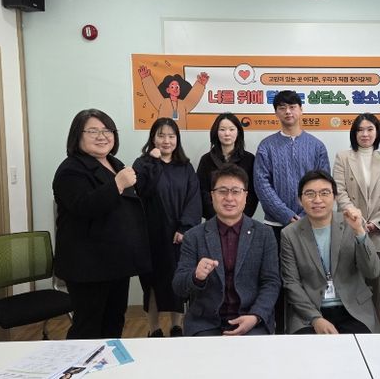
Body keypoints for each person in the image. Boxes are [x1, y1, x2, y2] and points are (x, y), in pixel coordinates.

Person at [53, 109, 151, 339]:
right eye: (93, 131)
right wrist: (117, 185)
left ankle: (109, 360)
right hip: (88, 264)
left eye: (107, 130)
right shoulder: (70, 170)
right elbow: (83, 206)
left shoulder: (115, 163)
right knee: (88, 326)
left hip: (116, 261)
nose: (102, 136)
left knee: (114, 320)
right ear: (77, 136)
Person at [253, 89, 330, 333]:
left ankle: (307, 325)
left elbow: (324, 184)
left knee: (308, 278)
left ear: (301, 110)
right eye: (282, 107)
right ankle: (277, 330)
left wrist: (306, 216)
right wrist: (287, 215)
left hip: (311, 226)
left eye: (293, 106)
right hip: (276, 227)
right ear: (276, 112)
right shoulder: (266, 146)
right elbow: (261, 184)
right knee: (275, 279)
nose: (288, 111)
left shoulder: (317, 146)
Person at [173, 164, 280, 336]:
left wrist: (255, 316)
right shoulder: (194, 236)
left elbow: (271, 282)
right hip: (205, 323)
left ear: (245, 196)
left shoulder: (264, 234)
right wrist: (196, 277)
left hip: (252, 320)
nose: (229, 198)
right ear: (212, 196)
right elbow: (178, 286)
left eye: (236, 191)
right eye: (222, 191)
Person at [280, 170, 380, 334]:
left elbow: (372, 271)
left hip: (353, 309)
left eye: (324, 193)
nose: (317, 200)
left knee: (356, 348)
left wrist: (359, 232)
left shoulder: (351, 223)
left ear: (334, 197)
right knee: (305, 348)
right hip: (309, 310)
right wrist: (316, 319)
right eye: (310, 194)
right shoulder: (289, 234)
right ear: (300, 200)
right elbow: (291, 283)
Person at [133, 117, 202, 337]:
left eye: (171, 136)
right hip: (151, 235)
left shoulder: (185, 167)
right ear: (153, 138)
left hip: (179, 235)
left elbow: (194, 198)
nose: (166, 141)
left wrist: (185, 228)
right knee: (152, 284)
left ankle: (176, 325)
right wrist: (153, 162)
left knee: (179, 280)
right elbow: (142, 190)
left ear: (177, 139)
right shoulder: (142, 164)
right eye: (161, 135)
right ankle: (154, 329)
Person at [332, 113, 380, 328]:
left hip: (378, 232)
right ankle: (350, 326)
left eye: (370, 129)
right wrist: (357, 219)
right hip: (351, 229)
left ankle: (373, 327)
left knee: (374, 284)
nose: (365, 134)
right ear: (354, 133)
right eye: (360, 130)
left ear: (377, 132)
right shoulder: (343, 157)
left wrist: (376, 222)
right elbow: (339, 191)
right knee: (349, 281)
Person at [196, 113, 258, 219]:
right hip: (213, 220)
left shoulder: (249, 159)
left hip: (242, 220)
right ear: (216, 132)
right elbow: (201, 191)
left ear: (238, 132)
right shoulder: (206, 160)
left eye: (231, 129)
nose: (227, 133)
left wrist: (240, 217)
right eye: (222, 129)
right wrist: (216, 216)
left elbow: (252, 193)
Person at [137, 65, 210, 129]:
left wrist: (200, 84)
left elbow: (193, 98)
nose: (175, 89)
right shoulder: (162, 102)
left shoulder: (183, 105)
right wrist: (146, 78)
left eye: (177, 87)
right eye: (172, 87)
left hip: (180, 136)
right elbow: (153, 93)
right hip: (163, 134)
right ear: (168, 90)